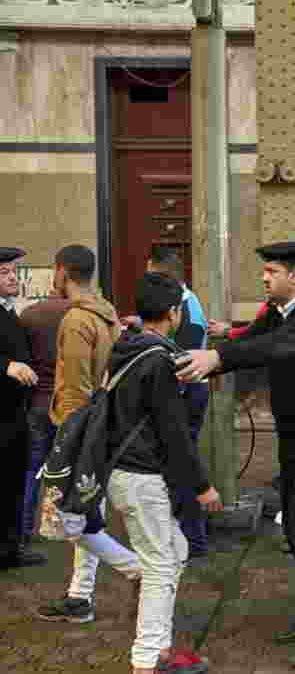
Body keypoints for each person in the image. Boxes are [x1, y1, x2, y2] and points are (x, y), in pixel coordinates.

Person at [177, 241, 295, 668]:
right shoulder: (283, 314)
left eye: (272, 271)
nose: (264, 277)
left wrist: (217, 356)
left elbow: (272, 349)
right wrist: (204, 361)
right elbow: (254, 341)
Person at [107, 272, 222, 674]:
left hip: (120, 473)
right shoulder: (158, 361)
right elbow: (174, 433)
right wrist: (203, 487)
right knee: (160, 564)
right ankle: (147, 661)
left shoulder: (126, 347)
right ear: (174, 313)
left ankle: (159, 647)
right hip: (143, 477)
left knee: (174, 551)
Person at [37, 245, 141, 623]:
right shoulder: (105, 312)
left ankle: (135, 569)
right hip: (100, 424)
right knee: (86, 510)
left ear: (62, 271)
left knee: (66, 518)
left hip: (80, 427)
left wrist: (69, 436)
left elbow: (75, 385)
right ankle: (80, 596)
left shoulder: (77, 320)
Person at [0, 246, 45, 570]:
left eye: (15, 271)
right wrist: (6, 366)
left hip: (14, 414)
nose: (13, 277)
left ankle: (10, 548)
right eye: (4, 272)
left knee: (14, 481)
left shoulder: (10, 310)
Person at [17, 285, 71, 559]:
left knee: (32, 468)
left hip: (37, 400)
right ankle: (54, 523)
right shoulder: (75, 314)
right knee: (61, 467)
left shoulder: (28, 315)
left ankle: (23, 529)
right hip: (65, 401)